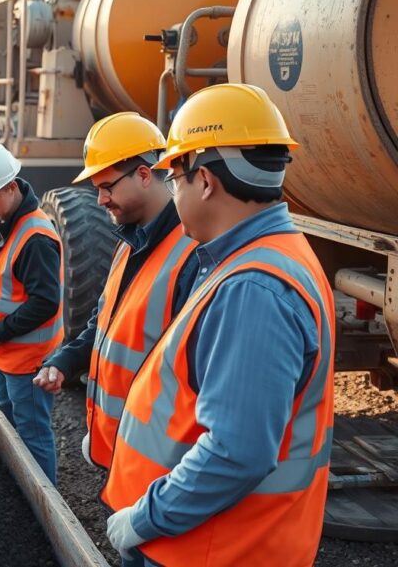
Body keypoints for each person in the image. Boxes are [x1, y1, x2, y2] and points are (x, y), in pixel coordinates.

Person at [102, 84, 335, 566]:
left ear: (205, 181)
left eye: (175, 176)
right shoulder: (265, 259)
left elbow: (237, 453)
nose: (172, 190)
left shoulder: (254, 288)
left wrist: (144, 518)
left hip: (209, 549)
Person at [34, 112, 198, 471]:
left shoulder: (192, 255)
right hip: (125, 454)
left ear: (142, 174)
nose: (100, 200)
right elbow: (107, 325)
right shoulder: (128, 242)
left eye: (106, 187)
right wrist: (67, 359)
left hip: (160, 466)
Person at [0, 143, 63, 484]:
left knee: (33, 434)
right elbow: (2, 277)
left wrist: (1, 331)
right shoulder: (1, 221)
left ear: (11, 187)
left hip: (28, 361)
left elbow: (45, 302)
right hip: (7, 358)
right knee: (11, 423)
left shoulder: (35, 236)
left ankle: (48, 506)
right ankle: (21, 488)